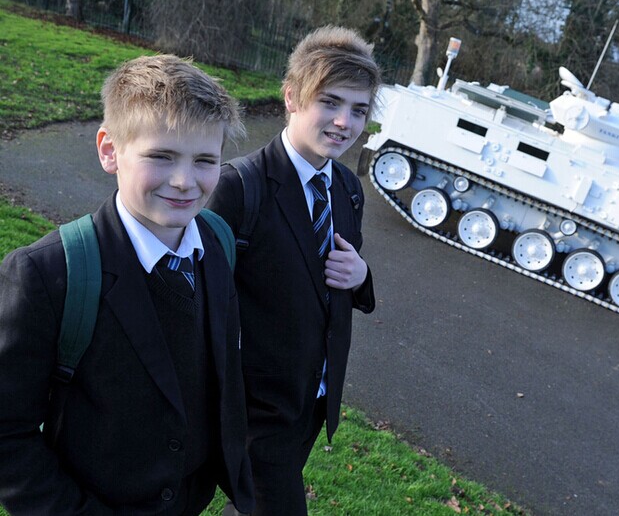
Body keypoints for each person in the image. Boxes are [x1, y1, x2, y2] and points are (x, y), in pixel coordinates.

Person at [0, 55, 255, 515]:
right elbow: (7, 434)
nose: (185, 182)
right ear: (109, 150)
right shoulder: (46, 273)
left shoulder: (217, 240)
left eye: (205, 160)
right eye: (161, 156)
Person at [208, 26, 380, 515]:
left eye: (359, 110)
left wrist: (361, 277)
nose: (344, 122)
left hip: (312, 402)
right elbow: (198, 298)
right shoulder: (238, 188)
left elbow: (334, 280)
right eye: (330, 102)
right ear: (291, 97)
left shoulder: (347, 188)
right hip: (254, 413)